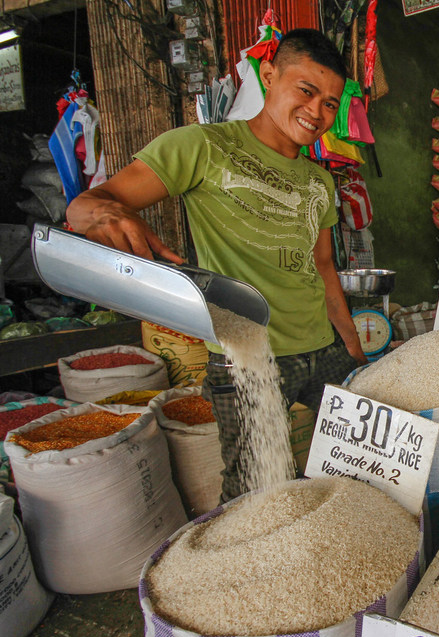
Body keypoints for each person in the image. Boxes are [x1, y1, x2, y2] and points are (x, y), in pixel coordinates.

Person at [67, 29, 368, 500]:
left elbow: (324, 266)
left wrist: (351, 347)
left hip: (323, 346)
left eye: (330, 103)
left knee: (366, 459)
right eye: (306, 91)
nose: (316, 112)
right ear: (269, 75)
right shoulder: (203, 146)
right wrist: (106, 214)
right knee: (257, 489)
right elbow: (86, 204)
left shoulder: (318, 180)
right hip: (247, 356)